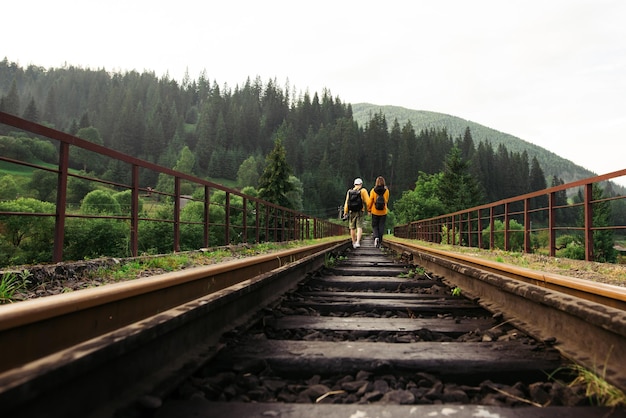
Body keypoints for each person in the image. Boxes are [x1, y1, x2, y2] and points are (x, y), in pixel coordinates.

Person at [343, 178, 370, 248]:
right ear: (361, 184)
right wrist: (369, 210)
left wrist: (345, 212)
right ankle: (358, 242)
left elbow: (346, 202)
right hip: (360, 211)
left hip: (351, 211)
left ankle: (353, 242)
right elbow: (368, 202)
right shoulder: (363, 191)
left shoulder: (349, 191)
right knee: (359, 226)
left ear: (354, 184)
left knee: (352, 227)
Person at [367, 176, 389, 248]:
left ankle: (376, 237)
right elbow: (386, 201)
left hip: (375, 211)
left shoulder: (373, 190)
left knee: (374, 225)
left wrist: (369, 209)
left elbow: (370, 201)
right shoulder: (386, 191)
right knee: (381, 226)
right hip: (383, 211)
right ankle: (380, 241)